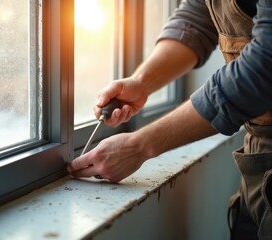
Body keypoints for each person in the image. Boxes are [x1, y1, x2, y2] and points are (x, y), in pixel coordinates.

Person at [67, 0, 272, 239]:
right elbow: (198, 16)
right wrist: (142, 82)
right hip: (257, 161)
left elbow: (263, 68)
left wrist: (139, 146)